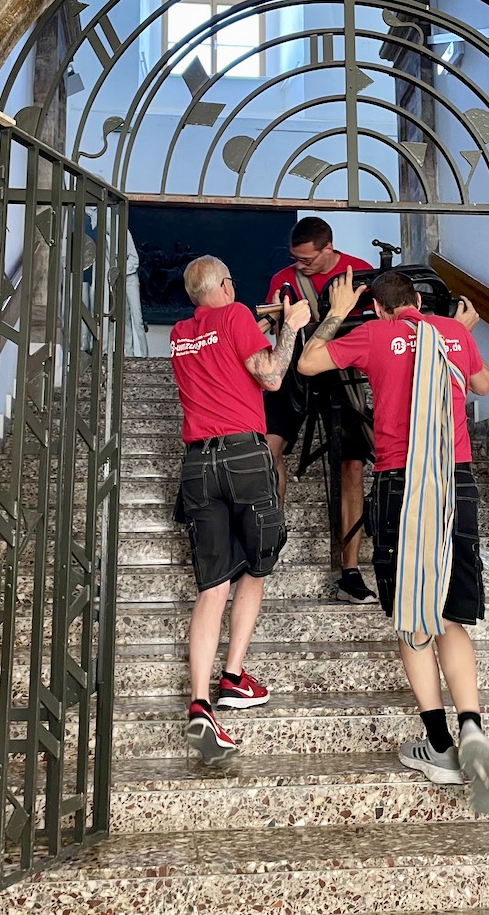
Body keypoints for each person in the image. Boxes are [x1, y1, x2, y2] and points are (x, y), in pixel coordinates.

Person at [298, 267, 489, 815]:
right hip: (456, 483)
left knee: (416, 618)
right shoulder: (452, 332)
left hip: (401, 483)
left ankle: (438, 744)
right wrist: (461, 333)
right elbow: (483, 384)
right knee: (451, 618)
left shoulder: (373, 333)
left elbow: (308, 363)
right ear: (418, 299)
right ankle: (472, 726)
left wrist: (337, 313)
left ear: (380, 307)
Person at [170, 254, 311, 764]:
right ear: (226, 285)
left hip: (197, 465)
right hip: (244, 457)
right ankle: (232, 676)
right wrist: (290, 326)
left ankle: (200, 703)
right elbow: (270, 376)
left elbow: (223, 359)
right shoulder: (234, 316)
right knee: (257, 564)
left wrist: (258, 329)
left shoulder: (180, 334)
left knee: (212, 585)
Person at [263, 216, 375, 604]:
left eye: (307, 260)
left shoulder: (359, 271)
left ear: (329, 248)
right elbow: (272, 330)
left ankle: (351, 568)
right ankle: (269, 534)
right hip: (294, 371)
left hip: (343, 370)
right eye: (295, 258)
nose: (300, 266)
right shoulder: (283, 279)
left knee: (353, 464)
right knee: (267, 449)